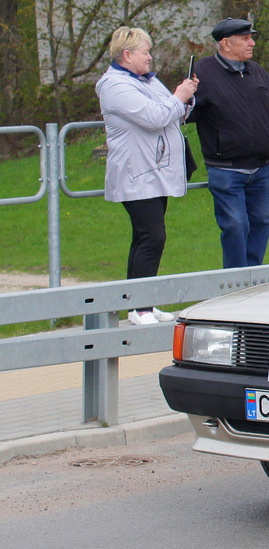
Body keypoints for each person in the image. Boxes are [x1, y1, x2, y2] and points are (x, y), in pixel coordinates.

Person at [96, 26, 198, 325]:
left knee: (145, 238)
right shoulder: (114, 86)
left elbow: (173, 112)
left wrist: (186, 98)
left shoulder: (147, 81)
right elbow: (154, 117)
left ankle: (143, 303)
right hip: (135, 173)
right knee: (152, 237)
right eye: (145, 52)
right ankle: (138, 308)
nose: (150, 57)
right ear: (127, 55)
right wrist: (178, 96)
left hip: (155, 171)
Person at [189, 17, 269, 268]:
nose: (252, 43)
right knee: (235, 225)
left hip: (263, 167)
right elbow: (186, 113)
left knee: (262, 222)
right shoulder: (203, 73)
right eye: (245, 38)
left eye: (251, 37)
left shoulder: (259, 73)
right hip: (226, 169)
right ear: (225, 43)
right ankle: (234, 282)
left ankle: (252, 281)